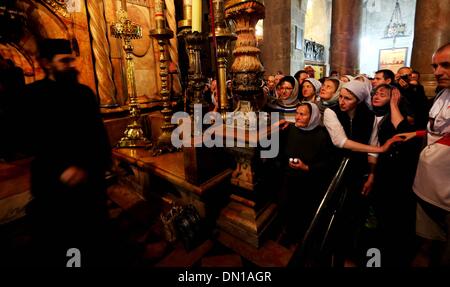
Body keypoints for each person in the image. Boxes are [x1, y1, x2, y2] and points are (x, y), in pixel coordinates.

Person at [18, 39, 113, 267]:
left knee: (94, 238)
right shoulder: (33, 96)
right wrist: (60, 168)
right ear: (45, 63)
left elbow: (97, 133)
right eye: (64, 61)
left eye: (72, 59)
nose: (71, 64)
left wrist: (100, 163)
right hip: (55, 183)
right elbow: (32, 140)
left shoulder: (84, 93)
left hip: (90, 179)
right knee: (62, 241)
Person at [398, 43, 450, 266]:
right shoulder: (443, 94)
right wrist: (416, 133)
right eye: (435, 66)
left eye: (446, 65)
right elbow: (436, 129)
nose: (437, 72)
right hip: (429, 186)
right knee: (433, 245)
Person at [277, 103, 337, 248]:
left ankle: (304, 241)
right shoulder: (290, 129)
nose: (297, 117)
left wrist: (307, 167)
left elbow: (329, 163)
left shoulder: (323, 135)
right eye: (297, 113)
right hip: (289, 178)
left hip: (310, 182)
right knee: (287, 207)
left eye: (302, 114)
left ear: (313, 117)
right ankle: (288, 234)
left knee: (305, 212)